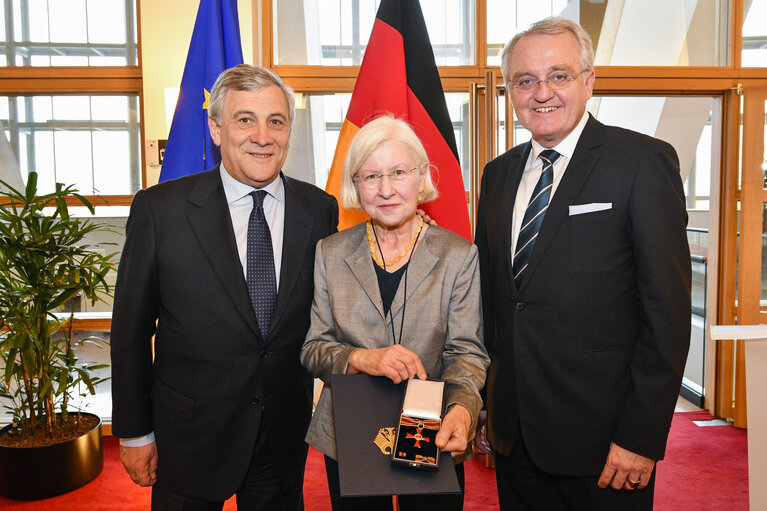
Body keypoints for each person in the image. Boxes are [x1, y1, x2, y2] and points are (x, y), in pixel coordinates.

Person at [474, 17, 691, 511]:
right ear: (510, 90)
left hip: (605, 444)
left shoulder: (642, 163)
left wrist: (641, 435)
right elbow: (495, 302)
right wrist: (487, 402)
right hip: (514, 437)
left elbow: (668, 317)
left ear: (589, 82)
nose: (541, 92)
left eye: (560, 75)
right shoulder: (498, 174)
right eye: (525, 80)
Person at [110, 64, 338, 510]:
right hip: (189, 437)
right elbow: (131, 331)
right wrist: (135, 432)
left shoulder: (320, 209)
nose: (262, 135)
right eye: (244, 119)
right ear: (216, 128)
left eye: (276, 120)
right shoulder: (161, 210)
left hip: (281, 435)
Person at [300, 115, 490, 511]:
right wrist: (362, 358)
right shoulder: (329, 254)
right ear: (356, 186)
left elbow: (466, 354)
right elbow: (313, 349)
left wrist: (462, 410)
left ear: (421, 178)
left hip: (431, 429)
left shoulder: (459, 256)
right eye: (371, 176)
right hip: (349, 433)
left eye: (399, 172)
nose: (386, 190)